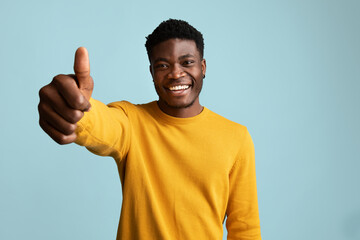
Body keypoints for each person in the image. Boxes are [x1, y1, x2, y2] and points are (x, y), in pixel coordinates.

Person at [38, 19, 262, 240]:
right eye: (163, 65)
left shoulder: (236, 137)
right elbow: (99, 123)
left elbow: (246, 230)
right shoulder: (132, 121)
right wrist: (75, 109)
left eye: (187, 62)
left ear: (202, 67)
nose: (175, 73)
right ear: (152, 72)